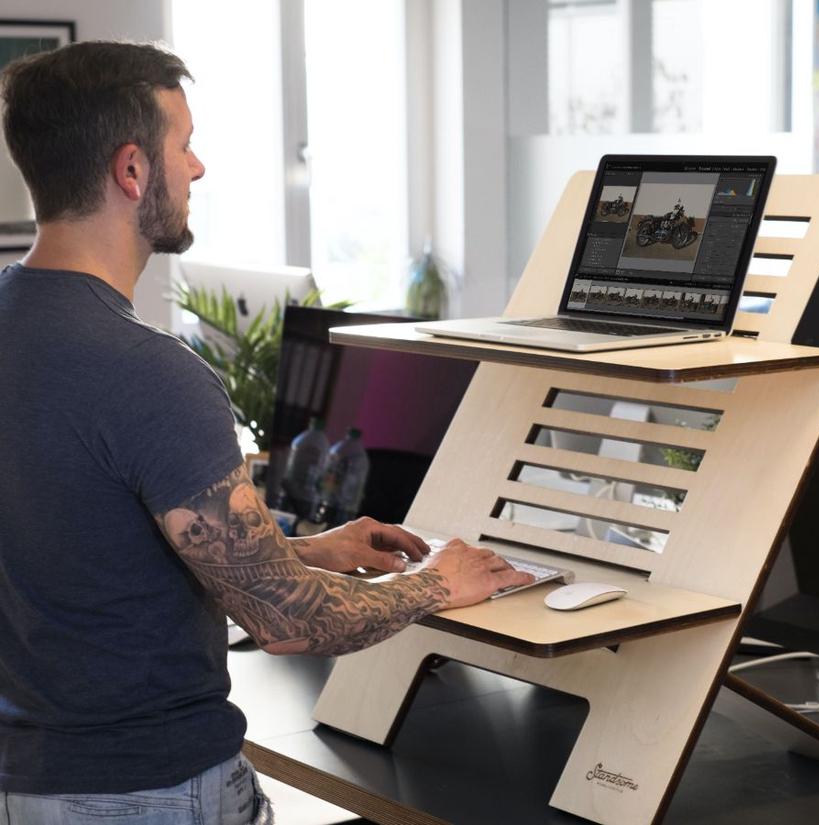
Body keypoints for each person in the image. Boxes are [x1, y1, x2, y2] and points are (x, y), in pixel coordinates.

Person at [0, 41, 532, 824]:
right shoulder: (150, 373)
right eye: (183, 146)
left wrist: (309, 550)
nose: (199, 168)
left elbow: (77, 548)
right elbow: (285, 621)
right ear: (131, 172)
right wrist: (437, 583)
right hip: (149, 792)